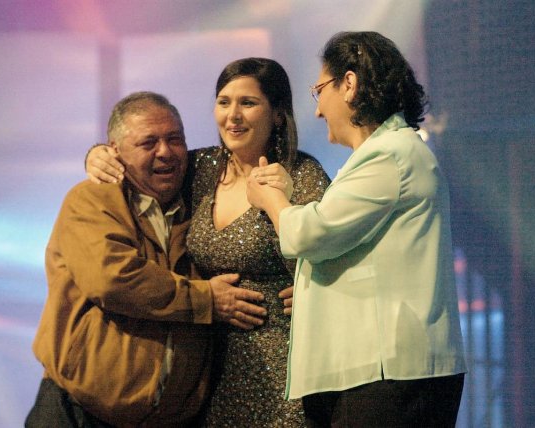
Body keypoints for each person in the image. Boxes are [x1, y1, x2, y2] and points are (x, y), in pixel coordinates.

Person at [86, 58, 331, 426]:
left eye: (247, 103)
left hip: (283, 366)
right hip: (204, 368)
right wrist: (97, 154)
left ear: (278, 114)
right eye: (223, 102)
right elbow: (144, 163)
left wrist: (323, 289)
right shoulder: (199, 169)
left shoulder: (302, 174)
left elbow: (337, 249)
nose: (232, 115)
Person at [247, 32, 467, 427]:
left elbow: (309, 234)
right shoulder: (387, 155)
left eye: (319, 91)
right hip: (381, 372)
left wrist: (272, 198)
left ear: (348, 84)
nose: (317, 112)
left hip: (389, 376)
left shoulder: (391, 155)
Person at [26, 91, 267, 428]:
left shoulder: (199, 203)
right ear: (115, 152)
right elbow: (113, 279)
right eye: (148, 142)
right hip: (78, 413)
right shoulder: (91, 200)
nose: (165, 152)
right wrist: (204, 299)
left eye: (175, 139)